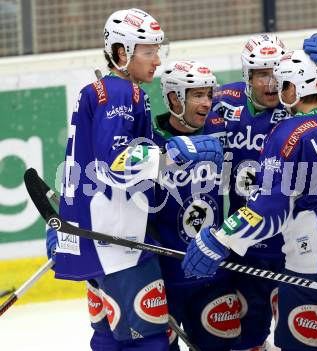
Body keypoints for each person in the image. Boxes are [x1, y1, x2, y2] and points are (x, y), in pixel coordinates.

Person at [182, 50, 317, 351]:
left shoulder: (287, 133)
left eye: (283, 85)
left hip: (315, 269)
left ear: (297, 88)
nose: (278, 92)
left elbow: (269, 209)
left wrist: (221, 238)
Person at [45, 9, 222, 351]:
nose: (157, 60)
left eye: (158, 50)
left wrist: (67, 218)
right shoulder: (121, 94)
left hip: (101, 237)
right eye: (148, 51)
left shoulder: (103, 91)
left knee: (110, 340)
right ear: (122, 53)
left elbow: (85, 163)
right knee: (149, 342)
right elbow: (116, 164)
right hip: (117, 242)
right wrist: (180, 149)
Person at [152, 60, 241, 350]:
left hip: (214, 272)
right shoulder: (150, 140)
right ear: (174, 98)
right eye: (197, 96)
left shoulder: (220, 128)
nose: (206, 103)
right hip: (166, 278)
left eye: (208, 95)